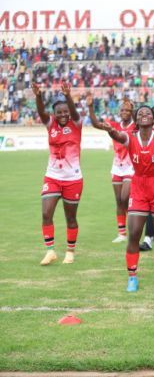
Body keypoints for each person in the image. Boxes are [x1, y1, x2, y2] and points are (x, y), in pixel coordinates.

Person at [96, 106, 154, 293]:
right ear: (136, 120)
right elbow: (118, 136)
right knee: (134, 234)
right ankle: (132, 277)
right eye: (140, 114)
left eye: (147, 113)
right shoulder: (130, 137)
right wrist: (110, 130)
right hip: (139, 187)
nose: (144, 116)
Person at [34, 82, 83, 266]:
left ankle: (70, 251)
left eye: (65, 111)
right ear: (54, 114)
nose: (63, 114)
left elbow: (74, 112)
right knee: (46, 213)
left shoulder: (76, 123)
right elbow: (41, 112)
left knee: (70, 218)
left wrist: (68, 96)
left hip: (73, 180)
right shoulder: (50, 124)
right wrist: (38, 96)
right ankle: (50, 251)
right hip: (52, 177)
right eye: (59, 112)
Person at [88, 96, 135, 243]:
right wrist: (90, 106)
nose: (125, 112)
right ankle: (122, 233)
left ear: (132, 112)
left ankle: (135, 228)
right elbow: (95, 123)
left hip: (131, 167)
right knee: (119, 201)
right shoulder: (113, 125)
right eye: (122, 110)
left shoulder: (136, 126)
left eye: (128, 110)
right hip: (117, 167)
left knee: (125, 198)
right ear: (119, 112)